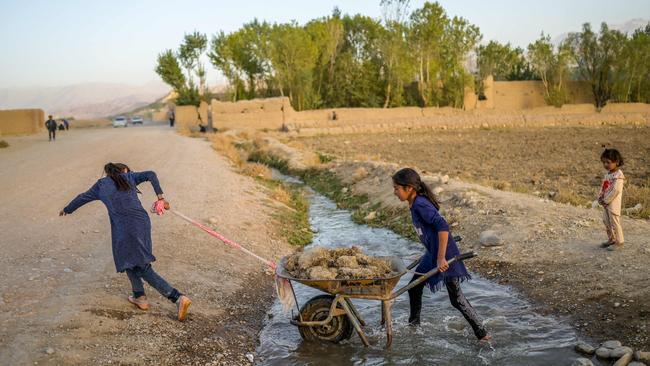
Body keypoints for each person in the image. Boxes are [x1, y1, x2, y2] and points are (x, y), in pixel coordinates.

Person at [59, 162, 192, 320]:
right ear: (124, 170)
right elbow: (151, 174)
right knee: (128, 260)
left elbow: (82, 197)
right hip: (140, 223)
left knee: (142, 267)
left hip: (123, 227)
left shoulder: (101, 185)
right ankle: (139, 296)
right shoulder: (129, 177)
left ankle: (177, 298)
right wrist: (161, 198)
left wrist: (67, 209)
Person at [392, 168, 490, 342]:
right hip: (433, 253)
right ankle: (414, 327)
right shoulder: (415, 203)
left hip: (443, 254)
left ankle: (483, 335)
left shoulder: (420, 204)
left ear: (409, 188)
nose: (395, 192)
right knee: (414, 287)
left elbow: (443, 226)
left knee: (456, 298)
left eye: (397, 188)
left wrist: (440, 258)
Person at [598, 148, 625, 251]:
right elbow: (603, 187)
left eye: (608, 162)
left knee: (614, 222)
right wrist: (600, 197)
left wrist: (606, 200)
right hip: (606, 203)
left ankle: (619, 241)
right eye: (603, 162)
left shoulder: (618, 176)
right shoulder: (608, 174)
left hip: (613, 204)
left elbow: (615, 190)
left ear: (616, 162)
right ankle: (611, 239)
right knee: (606, 221)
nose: (605, 164)